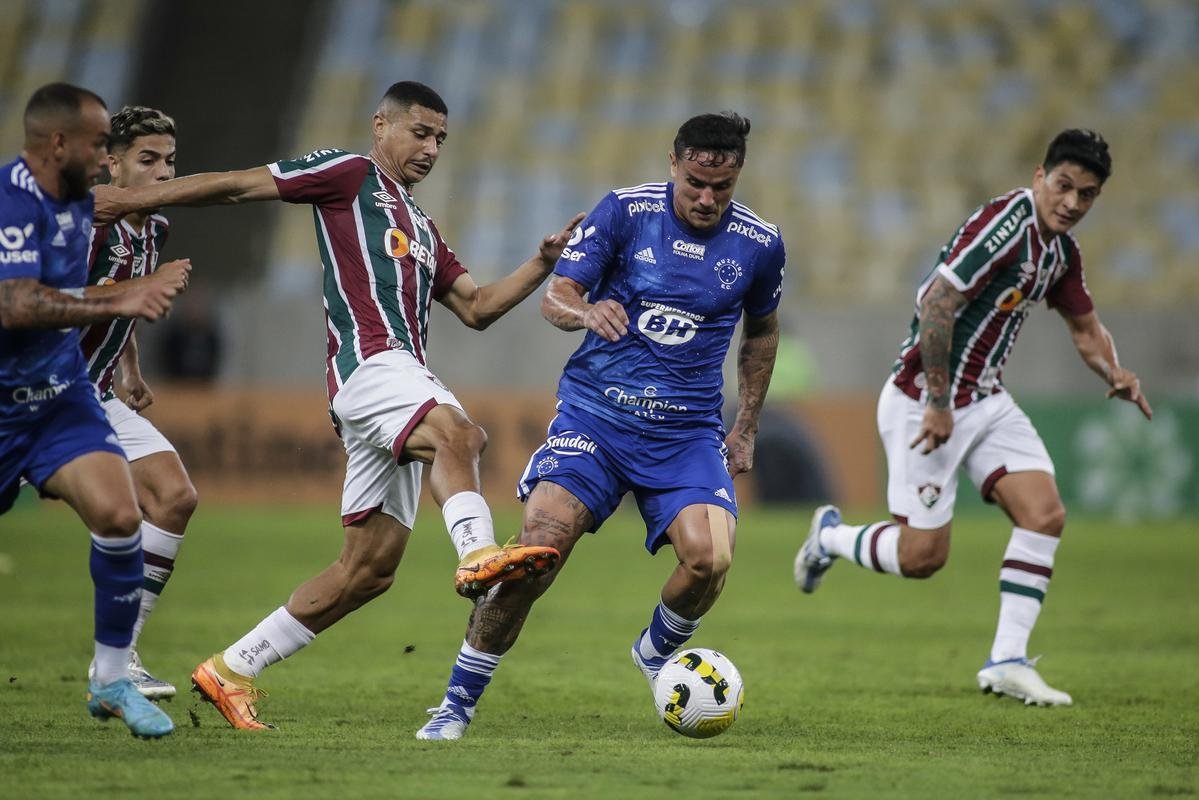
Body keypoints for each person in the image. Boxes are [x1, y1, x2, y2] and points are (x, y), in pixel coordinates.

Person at [95, 80, 581, 730]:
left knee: (367, 571)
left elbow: (477, 308)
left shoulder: (424, 229)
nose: (431, 147)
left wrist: (540, 263)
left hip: (395, 379)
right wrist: (129, 199)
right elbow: (241, 185)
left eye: (440, 138)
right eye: (419, 132)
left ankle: (233, 667)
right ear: (381, 125)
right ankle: (475, 553)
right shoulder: (348, 175)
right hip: (370, 367)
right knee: (459, 434)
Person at [416, 111, 785, 740]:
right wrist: (586, 312)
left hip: (687, 431)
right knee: (538, 551)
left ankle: (653, 650)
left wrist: (745, 424)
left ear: (737, 176)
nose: (706, 198)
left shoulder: (760, 242)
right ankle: (456, 703)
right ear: (675, 163)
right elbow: (556, 296)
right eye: (695, 181)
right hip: (598, 416)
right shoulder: (623, 211)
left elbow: (762, 331)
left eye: (720, 188)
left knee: (710, 560)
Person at [795, 130, 1152, 707]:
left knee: (1045, 514)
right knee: (922, 558)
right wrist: (938, 402)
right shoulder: (1004, 226)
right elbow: (936, 301)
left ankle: (1007, 660)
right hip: (923, 400)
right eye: (1064, 186)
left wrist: (1114, 370)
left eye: (1086, 195)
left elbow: (1085, 328)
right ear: (1040, 176)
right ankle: (830, 537)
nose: (1071, 203)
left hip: (985, 401)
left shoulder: (1060, 252)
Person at [0, 83, 182, 738]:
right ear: (61, 145)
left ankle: (112, 675)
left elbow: (116, 307)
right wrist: (123, 298)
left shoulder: (129, 221)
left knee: (125, 510)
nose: (106, 156)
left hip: (65, 392)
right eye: (102, 144)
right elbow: (19, 306)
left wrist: (128, 367)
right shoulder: (20, 203)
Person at [80, 105, 195, 699]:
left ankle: (121, 658)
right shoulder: (87, 223)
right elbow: (52, 299)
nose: (161, 172)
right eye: (147, 160)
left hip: (96, 391)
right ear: (112, 163)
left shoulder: (154, 229)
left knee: (174, 497)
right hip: (43, 391)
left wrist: (130, 367)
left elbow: (128, 308)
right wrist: (142, 289)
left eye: (170, 162)